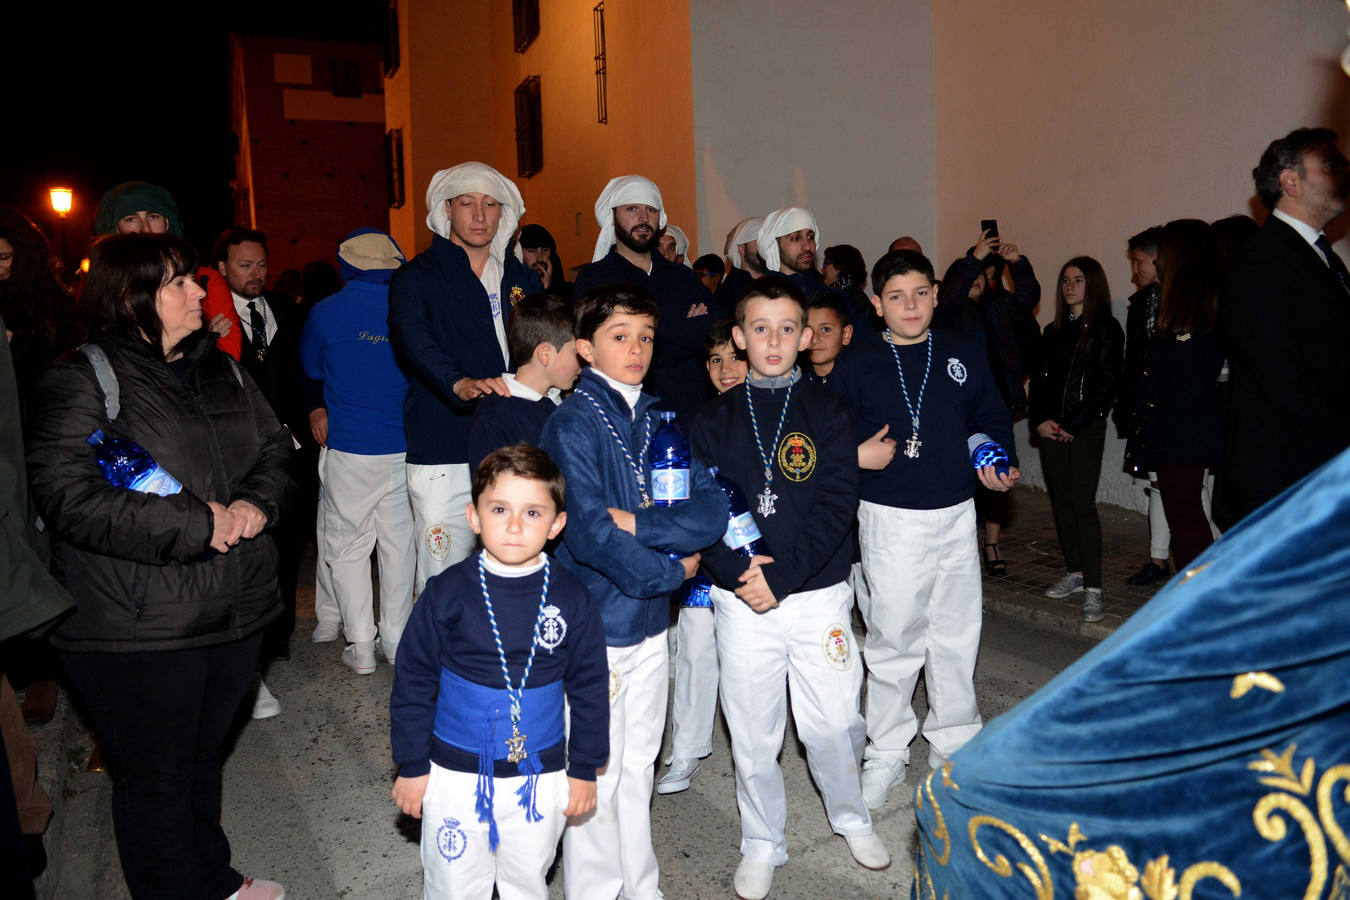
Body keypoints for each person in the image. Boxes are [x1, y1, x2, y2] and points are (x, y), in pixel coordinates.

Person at [26, 232, 291, 900]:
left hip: (230, 610)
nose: (201, 293)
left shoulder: (221, 367)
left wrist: (256, 503)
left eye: (197, 281)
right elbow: (69, 495)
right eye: (179, 283)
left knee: (202, 762)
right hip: (136, 627)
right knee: (156, 780)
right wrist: (201, 523)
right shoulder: (82, 377)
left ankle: (212, 877)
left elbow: (276, 451)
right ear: (129, 295)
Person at [690, 277, 889, 900]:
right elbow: (698, 511)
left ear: (805, 338)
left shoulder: (829, 413)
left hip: (815, 593)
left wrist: (783, 576)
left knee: (832, 722)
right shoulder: (713, 418)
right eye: (759, 328)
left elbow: (836, 505)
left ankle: (851, 816)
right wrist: (738, 576)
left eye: (785, 329)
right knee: (752, 729)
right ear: (738, 337)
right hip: (741, 598)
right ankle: (761, 840)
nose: (772, 341)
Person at [538, 284, 726, 900]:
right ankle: (594, 890)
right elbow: (590, 533)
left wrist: (642, 524)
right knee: (596, 765)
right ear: (587, 349)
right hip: (602, 619)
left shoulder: (659, 415)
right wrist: (673, 573)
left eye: (645, 336)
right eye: (620, 337)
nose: (636, 349)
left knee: (640, 759)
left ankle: (640, 883)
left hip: (650, 622)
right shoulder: (572, 423)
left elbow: (712, 510)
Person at [830, 249, 1019, 811]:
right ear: (875, 304)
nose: (909, 306)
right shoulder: (857, 361)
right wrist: (854, 454)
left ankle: (955, 739)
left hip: (956, 511)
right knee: (894, 637)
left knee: (957, 631)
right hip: (890, 518)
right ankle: (887, 749)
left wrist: (991, 451)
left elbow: (989, 415)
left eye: (919, 293)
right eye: (895, 297)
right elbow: (822, 436)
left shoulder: (962, 351)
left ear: (937, 294)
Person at [390, 444, 609, 900]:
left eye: (532, 512)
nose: (513, 525)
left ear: (556, 525)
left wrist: (584, 768)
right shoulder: (446, 593)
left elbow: (589, 686)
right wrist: (412, 766)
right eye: (499, 509)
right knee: (453, 883)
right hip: (454, 772)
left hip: (540, 773)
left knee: (526, 880)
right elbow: (413, 681)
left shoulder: (571, 597)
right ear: (473, 517)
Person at [388, 163, 543, 593]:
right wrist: (457, 382)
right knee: (443, 571)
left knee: (514, 562)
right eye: (467, 204)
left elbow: (549, 342)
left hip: (512, 441)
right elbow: (411, 337)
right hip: (444, 445)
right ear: (447, 211)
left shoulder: (521, 279)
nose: (479, 215)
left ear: (503, 215)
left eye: (490, 204)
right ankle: (435, 659)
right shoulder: (418, 277)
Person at [1219, 126, 1350, 528]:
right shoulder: (1261, 262)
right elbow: (1284, 378)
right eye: (1331, 165)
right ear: (1290, 181)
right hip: (1287, 481)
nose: (1344, 173)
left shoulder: (1321, 257)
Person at [300, 228, 416, 672]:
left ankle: (362, 645)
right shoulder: (409, 311)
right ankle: (397, 638)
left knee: (347, 547)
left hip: (349, 447)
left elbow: (312, 367)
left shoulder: (326, 312)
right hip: (403, 447)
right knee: (398, 546)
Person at [214, 226, 305, 698]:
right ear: (224, 268)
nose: (256, 274)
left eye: (262, 264)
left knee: (288, 541)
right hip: (236, 450)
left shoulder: (287, 310)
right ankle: (250, 642)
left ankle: (281, 634)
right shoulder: (209, 319)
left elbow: (300, 372)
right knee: (249, 545)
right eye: (245, 265)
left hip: (286, 445)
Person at [657, 319, 746, 797]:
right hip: (707, 556)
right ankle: (688, 749)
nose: (726, 369)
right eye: (716, 360)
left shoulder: (774, 414)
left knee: (750, 664)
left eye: (734, 358)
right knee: (693, 649)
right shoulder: (696, 423)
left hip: (756, 559)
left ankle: (754, 753)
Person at [936, 228, 1041, 577]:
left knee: (997, 468)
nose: (977, 279)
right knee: (963, 473)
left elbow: (1028, 298)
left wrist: (1019, 264)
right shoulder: (949, 313)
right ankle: (960, 542)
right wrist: (975, 257)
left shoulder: (999, 306)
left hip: (996, 404)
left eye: (982, 273)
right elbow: (949, 294)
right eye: (971, 273)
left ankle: (992, 542)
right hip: (959, 407)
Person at [572, 176, 717, 425]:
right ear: (614, 216)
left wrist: (653, 335)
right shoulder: (595, 279)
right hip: (622, 416)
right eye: (632, 209)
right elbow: (598, 349)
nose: (643, 218)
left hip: (689, 413)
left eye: (650, 210)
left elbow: (713, 333)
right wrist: (684, 330)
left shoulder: (682, 276)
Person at [1124, 220, 1225, 570]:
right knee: (1182, 517)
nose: (1158, 259)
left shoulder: (1207, 304)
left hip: (1186, 428)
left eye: (1164, 251)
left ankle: (1201, 600)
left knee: (1189, 519)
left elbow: (1198, 372)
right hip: (1170, 427)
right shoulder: (1178, 303)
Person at [1029, 257, 1124, 622]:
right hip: (1051, 428)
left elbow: (1105, 386)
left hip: (1083, 429)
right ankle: (1075, 572)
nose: (1069, 286)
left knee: (1082, 504)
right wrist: (1039, 421)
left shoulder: (1107, 329)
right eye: (1065, 280)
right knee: (1062, 502)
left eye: (1078, 280)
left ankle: (1094, 590)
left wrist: (1075, 422)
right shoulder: (1052, 331)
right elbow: (1038, 382)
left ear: (1093, 284)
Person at [95, 181, 243, 361]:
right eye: (131, 219)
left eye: (153, 216)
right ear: (115, 229)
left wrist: (202, 346)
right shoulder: (101, 286)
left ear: (167, 223)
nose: (144, 229)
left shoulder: (204, 281)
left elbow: (229, 361)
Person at [1113, 226, 1172, 586]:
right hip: (1150, 406)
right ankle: (1159, 558)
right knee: (1158, 485)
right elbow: (1134, 361)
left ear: (1158, 259)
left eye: (1139, 262)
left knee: (1191, 489)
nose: (1135, 271)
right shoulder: (1142, 304)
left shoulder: (1179, 299)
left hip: (1177, 407)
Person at [466, 292, 580, 472]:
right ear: (545, 355)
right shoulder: (494, 417)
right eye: (577, 352)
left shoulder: (567, 406)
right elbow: (492, 491)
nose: (584, 360)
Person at [0, 207, 81, 412]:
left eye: (4, 258)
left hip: (39, 406)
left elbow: (60, 359)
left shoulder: (50, 298)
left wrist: (14, 341)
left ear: (23, 255)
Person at [757, 207, 823, 297]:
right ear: (775, 245)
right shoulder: (763, 297)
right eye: (796, 238)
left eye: (810, 237)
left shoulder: (830, 296)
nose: (807, 247)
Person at [821, 243, 877, 340]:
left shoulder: (836, 298)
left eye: (826, 264)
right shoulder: (860, 297)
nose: (822, 269)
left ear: (839, 267)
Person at [715, 216, 766, 312]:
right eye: (759, 241)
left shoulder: (779, 283)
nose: (764, 247)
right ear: (742, 248)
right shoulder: (727, 294)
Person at [804, 292, 853, 386]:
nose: (814, 339)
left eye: (825, 329)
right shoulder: (794, 382)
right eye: (807, 330)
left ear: (846, 334)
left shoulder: (861, 381)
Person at [517, 223, 574, 301]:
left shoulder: (566, 292)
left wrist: (547, 289)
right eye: (532, 251)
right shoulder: (513, 287)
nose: (540, 258)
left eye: (545, 250)